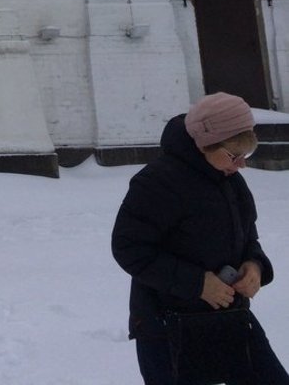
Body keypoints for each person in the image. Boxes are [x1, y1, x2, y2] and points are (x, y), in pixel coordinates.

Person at [111, 92, 289, 384]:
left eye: (247, 155)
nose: (241, 165)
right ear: (205, 144)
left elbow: (249, 239)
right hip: (168, 326)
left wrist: (254, 266)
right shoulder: (156, 183)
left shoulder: (231, 181)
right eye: (234, 155)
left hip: (229, 317)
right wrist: (197, 283)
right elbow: (129, 248)